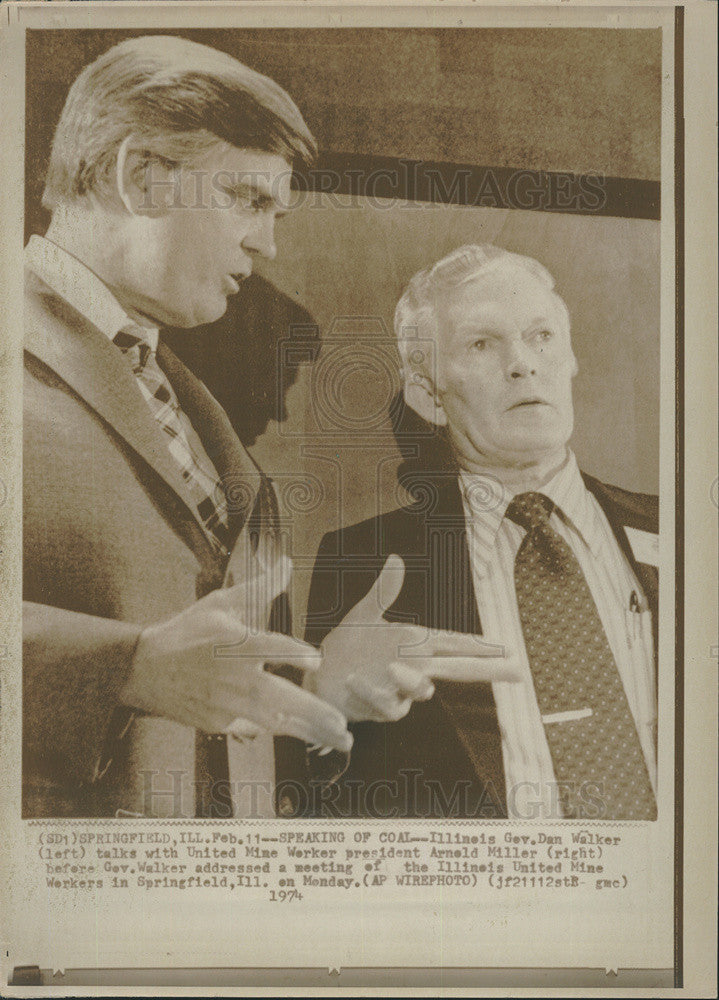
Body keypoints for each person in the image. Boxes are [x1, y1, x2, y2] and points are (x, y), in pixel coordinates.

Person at [24, 37, 504, 819]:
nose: (267, 242)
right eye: (248, 200)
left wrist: (314, 683)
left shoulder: (188, 402)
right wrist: (125, 668)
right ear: (140, 176)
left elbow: (208, 694)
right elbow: (147, 669)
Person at [304, 244, 659, 820]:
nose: (523, 363)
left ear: (570, 360)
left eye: (541, 336)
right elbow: (331, 796)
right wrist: (319, 705)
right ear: (428, 395)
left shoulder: (690, 535)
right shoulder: (365, 562)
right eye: (481, 344)